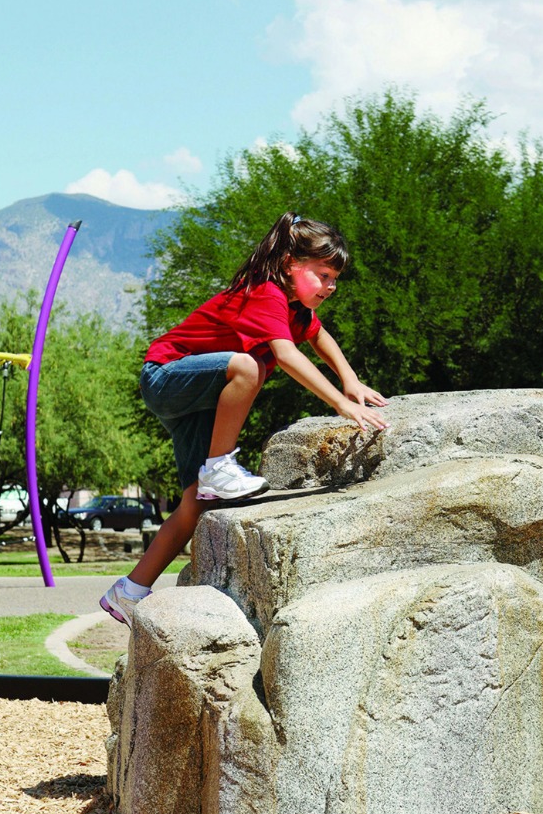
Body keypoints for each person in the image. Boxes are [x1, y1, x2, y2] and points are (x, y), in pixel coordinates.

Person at [99, 211, 388, 627]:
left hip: (200, 401)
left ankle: (128, 592)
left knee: (196, 502)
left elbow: (319, 336)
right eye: (323, 275)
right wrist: (342, 405)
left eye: (334, 279)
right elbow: (287, 357)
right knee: (249, 367)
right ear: (290, 264)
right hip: (165, 377)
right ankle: (220, 467)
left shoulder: (295, 308)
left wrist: (351, 381)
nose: (330, 286)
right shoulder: (266, 293)